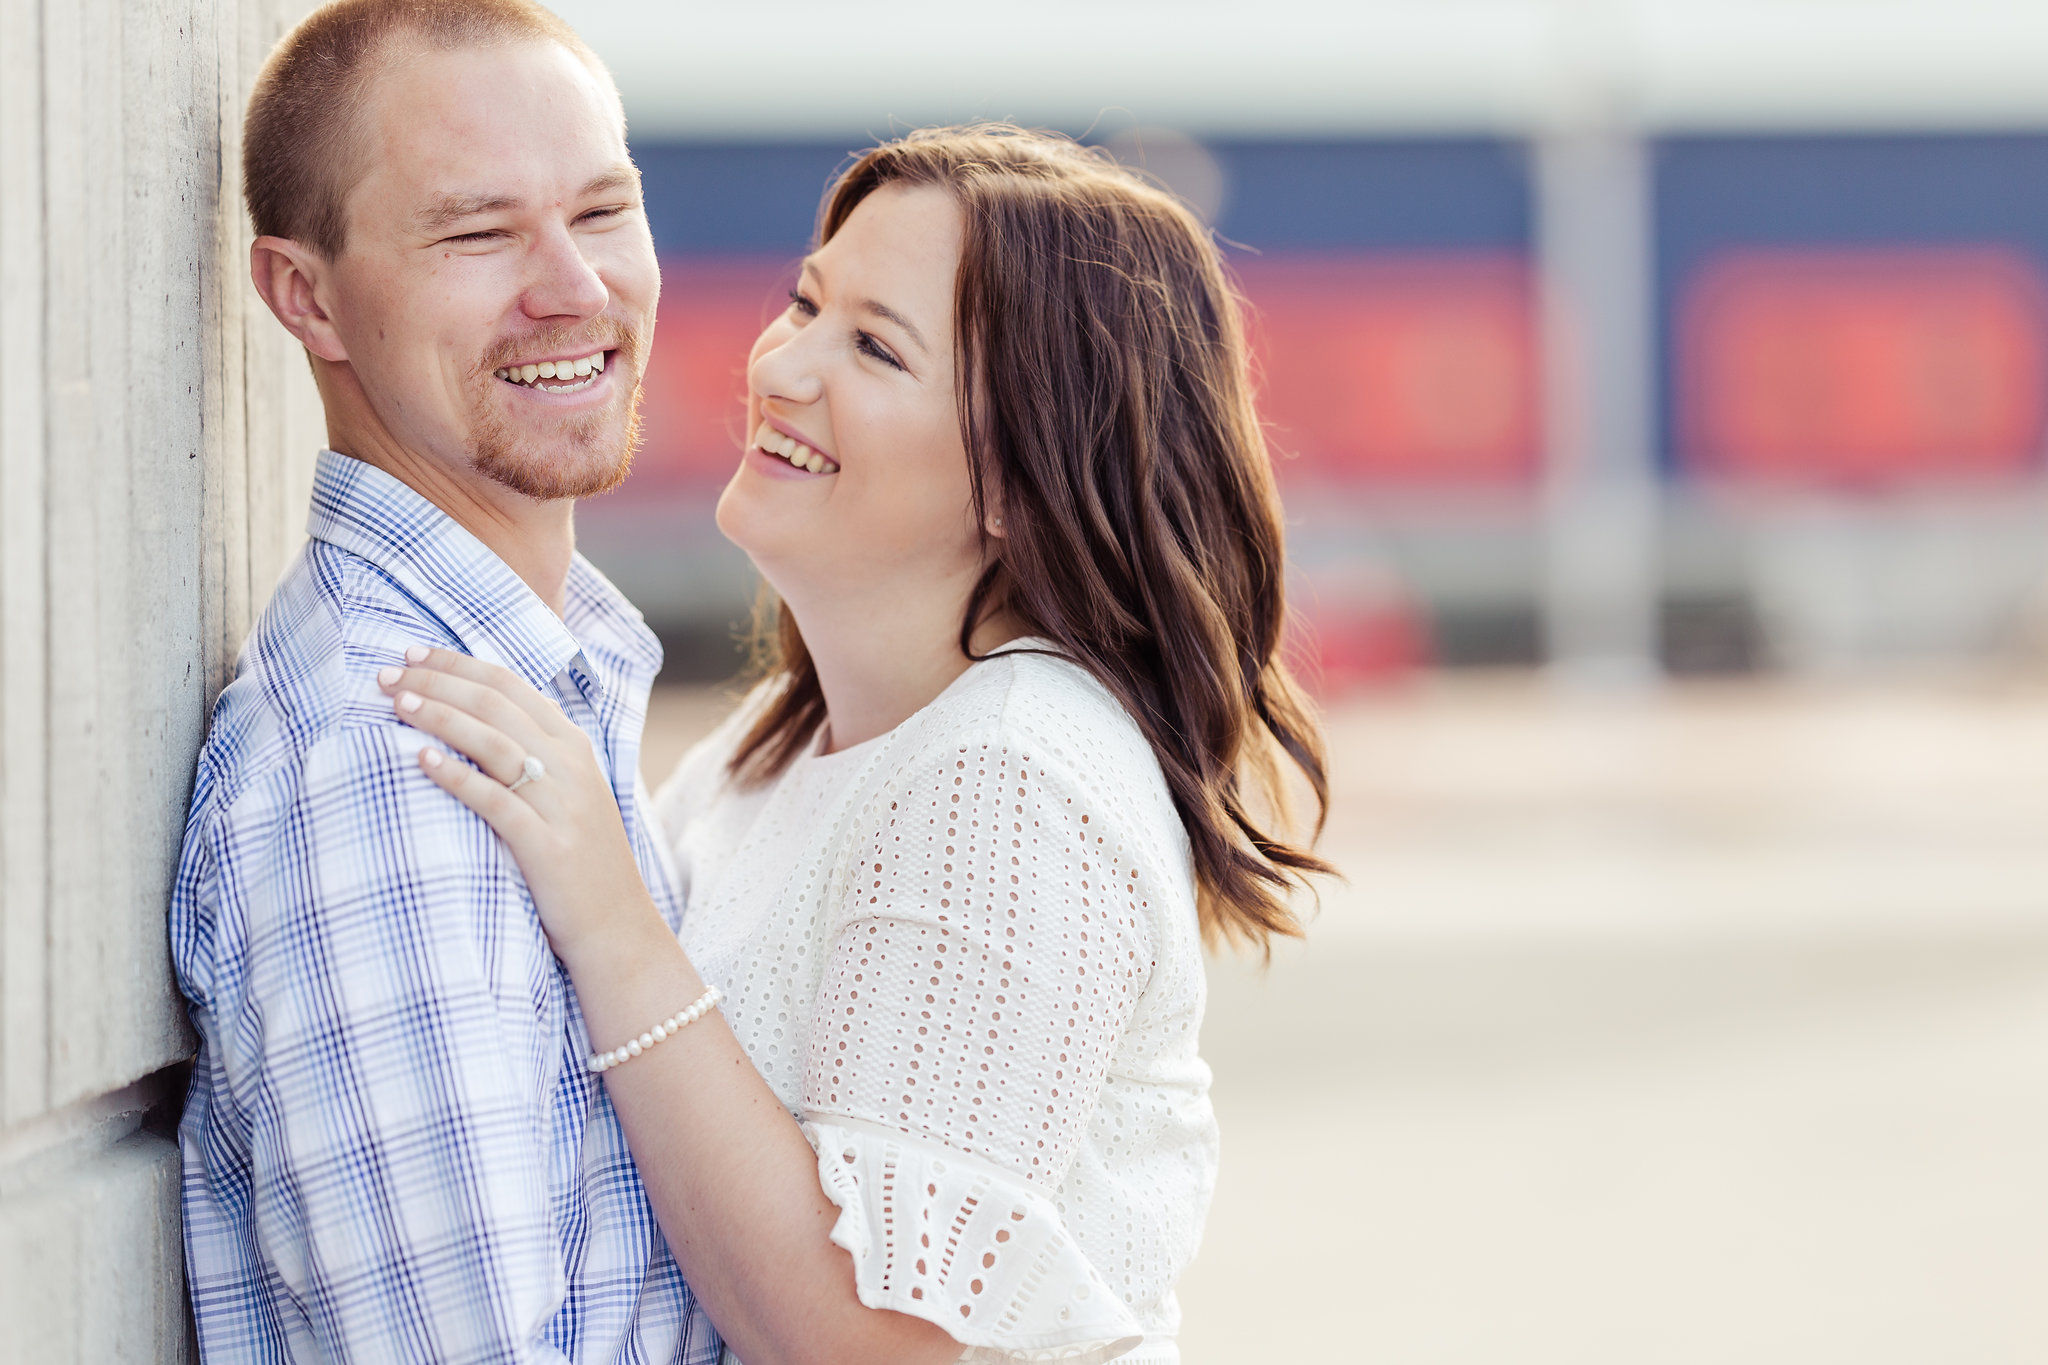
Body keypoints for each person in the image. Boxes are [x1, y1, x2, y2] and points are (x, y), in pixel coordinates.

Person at [380, 125, 1333, 1365]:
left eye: (875, 346)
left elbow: (881, 1346)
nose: (779, 366)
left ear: (1022, 476)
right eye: (805, 302)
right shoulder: (781, 748)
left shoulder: (1011, 783)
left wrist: (608, 912)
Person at [169, 2, 720, 1359]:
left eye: (601, 212)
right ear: (305, 295)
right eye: (479, 234)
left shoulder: (522, 689)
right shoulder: (395, 767)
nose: (576, 290)